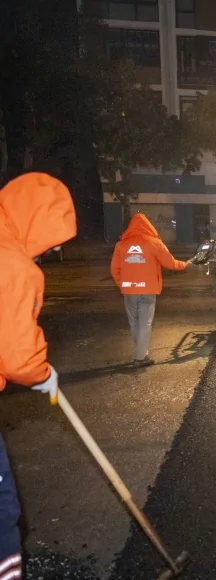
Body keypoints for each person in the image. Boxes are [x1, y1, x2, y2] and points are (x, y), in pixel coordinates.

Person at [0, 173, 78, 579]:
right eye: (54, 238)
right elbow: (16, 355)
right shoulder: (13, 265)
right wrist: (41, 373)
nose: (55, 248)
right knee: (1, 510)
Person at [111, 214, 190, 368]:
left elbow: (114, 269)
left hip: (129, 291)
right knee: (145, 324)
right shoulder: (154, 243)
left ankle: (142, 352)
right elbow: (171, 263)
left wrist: (124, 285)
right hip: (147, 290)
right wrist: (186, 265)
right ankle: (140, 358)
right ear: (148, 226)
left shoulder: (121, 245)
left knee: (134, 322)